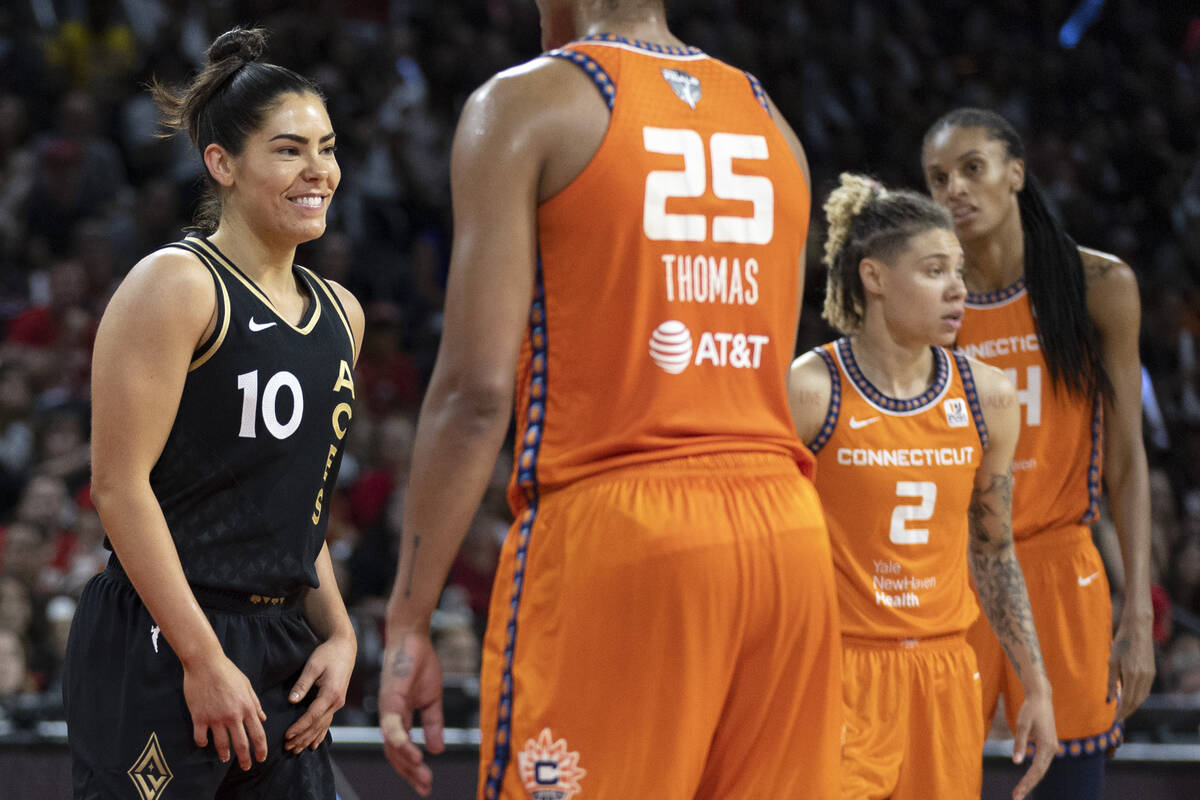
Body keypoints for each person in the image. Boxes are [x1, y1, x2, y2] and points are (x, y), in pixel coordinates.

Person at [378, 1, 842, 798]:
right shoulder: (774, 123)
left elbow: (474, 394)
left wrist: (408, 619)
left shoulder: (525, 103)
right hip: (787, 539)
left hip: (624, 526)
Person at [62, 27, 363, 800]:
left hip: (278, 641)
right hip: (165, 632)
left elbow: (296, 509)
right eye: (289, 150)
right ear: (221, 164)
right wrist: (200, 657)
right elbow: (118, 487)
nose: (318, 171)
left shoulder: (343, 316)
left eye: (326, 148)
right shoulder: (178, 283)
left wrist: (339, 633)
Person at [789, 174, 1058, 800]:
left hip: (943, 671)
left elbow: (993, 551)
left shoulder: (988, 395)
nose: (958, 289)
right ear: (875, 277)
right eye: (935, 270)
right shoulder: (812, 389)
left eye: (958, 270)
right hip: (838, 668)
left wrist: (1036, 685)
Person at [921, 108, 1154, 797]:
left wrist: (1137, 611)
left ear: (1016, 173)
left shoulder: (1099, 288)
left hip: (1059, 571)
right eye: (937, 179)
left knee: (1065, 786)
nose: (954, 189)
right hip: (953, 576)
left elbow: (1128, 460)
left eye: (972, 168)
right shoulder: (928, 306)